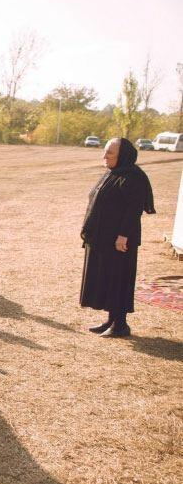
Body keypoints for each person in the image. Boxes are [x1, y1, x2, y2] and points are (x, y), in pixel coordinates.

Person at [80, 137, 156, 337]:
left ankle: (121, 325)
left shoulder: (134, 177)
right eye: (105, 152)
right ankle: (111, 320)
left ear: (122, 156)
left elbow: (133, 210)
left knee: (119, 280)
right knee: (108, 279)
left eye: (110, 153)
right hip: (104, 238)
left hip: (119, 241)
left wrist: (123, 236)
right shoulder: (114, 173)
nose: (104, 156)